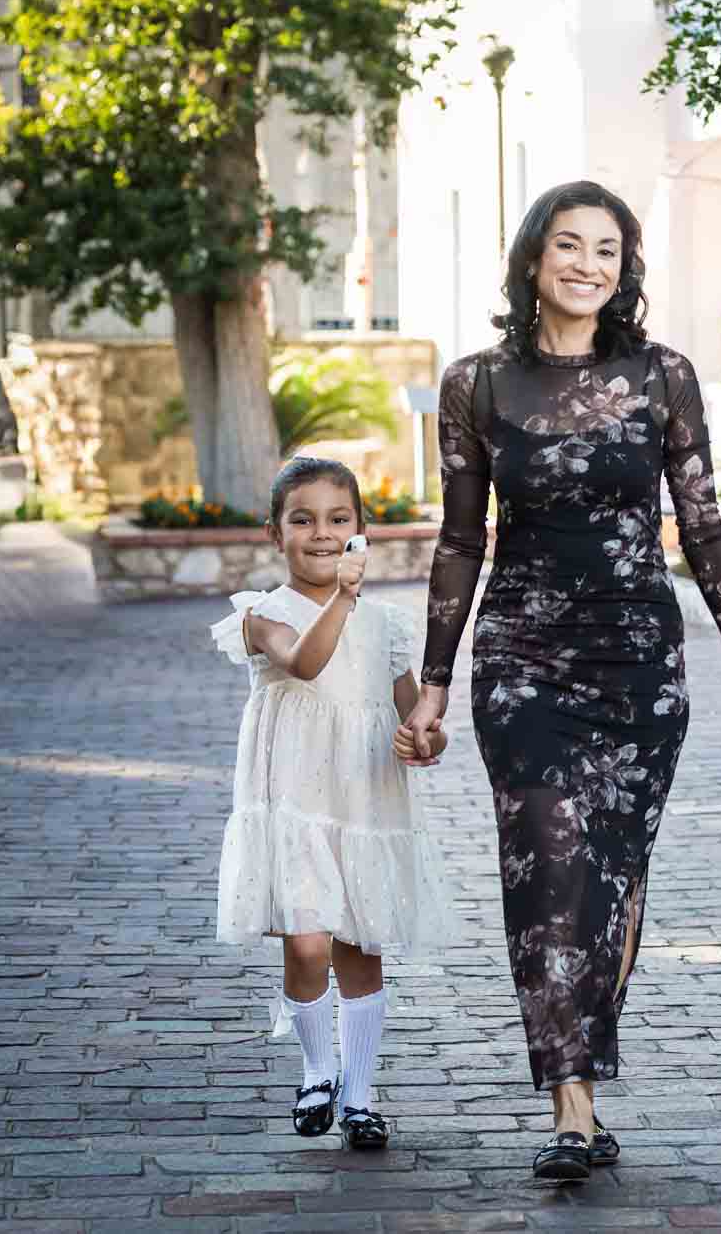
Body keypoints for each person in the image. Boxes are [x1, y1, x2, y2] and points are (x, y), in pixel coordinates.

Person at [401, 180, 721, 1184]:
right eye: (567, 246)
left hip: (637, 662)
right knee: (548, 868)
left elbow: (701, 528)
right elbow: (457, 541)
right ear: (532, 258)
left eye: (605, 251)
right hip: (521, 657)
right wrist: (431, 683)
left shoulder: (662, 375)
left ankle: (586, 1073)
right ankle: (572, 1103)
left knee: (609, 879)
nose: (586, 264)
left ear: (625, 269)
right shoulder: (476, 384)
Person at [210, 456, 461, 1152]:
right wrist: (342, 599)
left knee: (358, 941)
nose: (321, 533)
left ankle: (360, 1092)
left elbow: (408, 706)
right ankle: (317, 1068)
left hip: (363, 799)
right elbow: (306, 663)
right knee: (307, 937)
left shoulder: (384, 623)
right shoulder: (263, 615)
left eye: (338, 519)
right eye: (303, 519)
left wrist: (423, 734)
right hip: (294, 801)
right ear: (274, 532)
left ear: (360, 531)